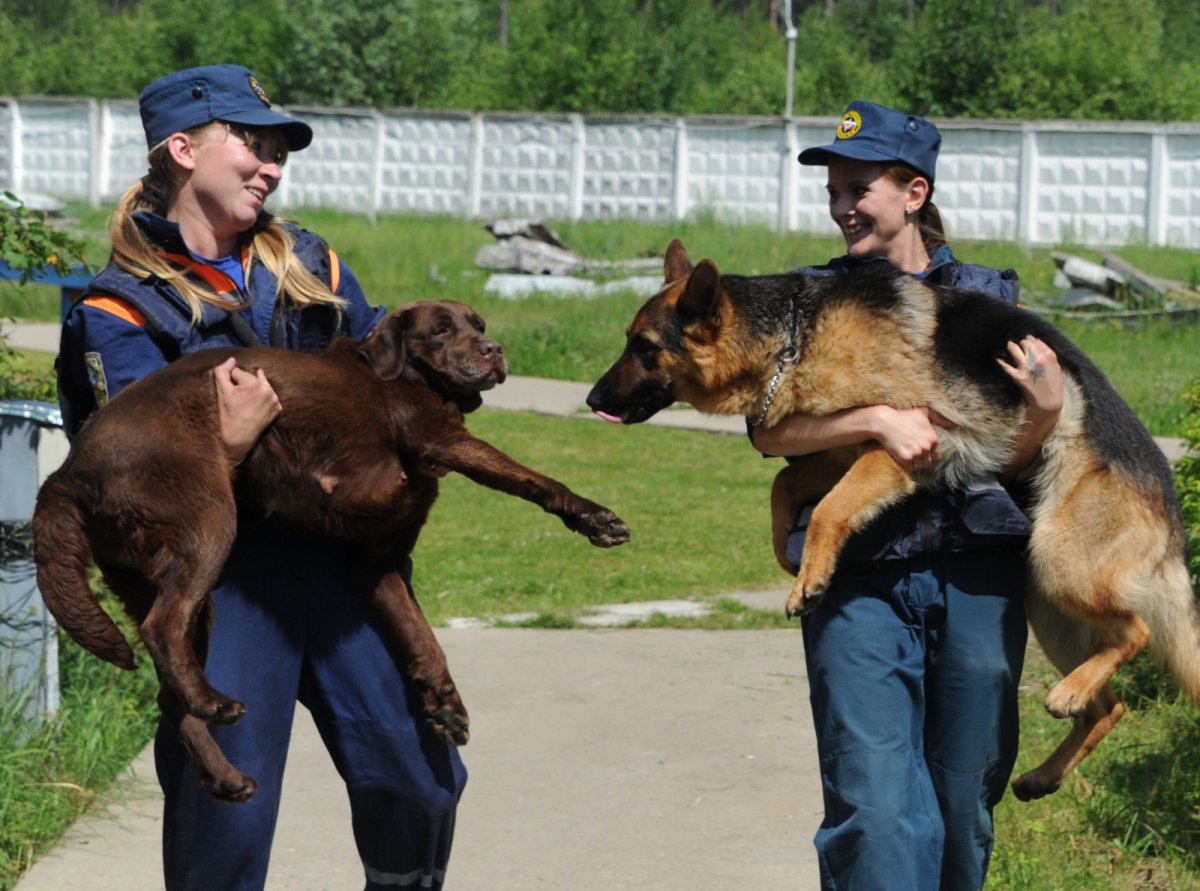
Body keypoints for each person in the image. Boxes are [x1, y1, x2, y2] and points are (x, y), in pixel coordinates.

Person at [56, 64, 466, 891]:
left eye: (278, 150)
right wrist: (229, 448)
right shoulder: (118, 312)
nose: (270, 165)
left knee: (419, 779)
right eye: (250, 143)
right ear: (182, 149)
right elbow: (125, 484)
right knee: (226, 821)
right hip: (226, 588)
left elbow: (383, 378)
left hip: (342, 571)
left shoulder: (310, 265)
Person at [751, 100, 1062, 890]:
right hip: (857, 575)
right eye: (835, 190)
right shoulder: (812, 299)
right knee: (880, 811)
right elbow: (767, 429)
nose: (842, 205)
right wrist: (876, 419)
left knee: (963, 805)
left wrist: (1050, 409)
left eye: (860, 187)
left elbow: (1019, 458)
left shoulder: (989, 298)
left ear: (914, 194)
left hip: (976, 577)